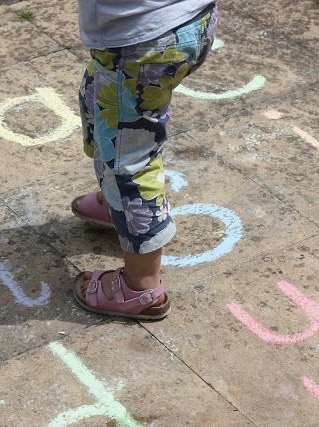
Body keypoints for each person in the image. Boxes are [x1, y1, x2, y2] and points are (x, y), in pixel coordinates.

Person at [72, 0, 218, 320]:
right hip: (185, 22)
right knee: (95, 96)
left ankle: (141, 288)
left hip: (141, 40)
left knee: (129, 163)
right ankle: (119, 207)